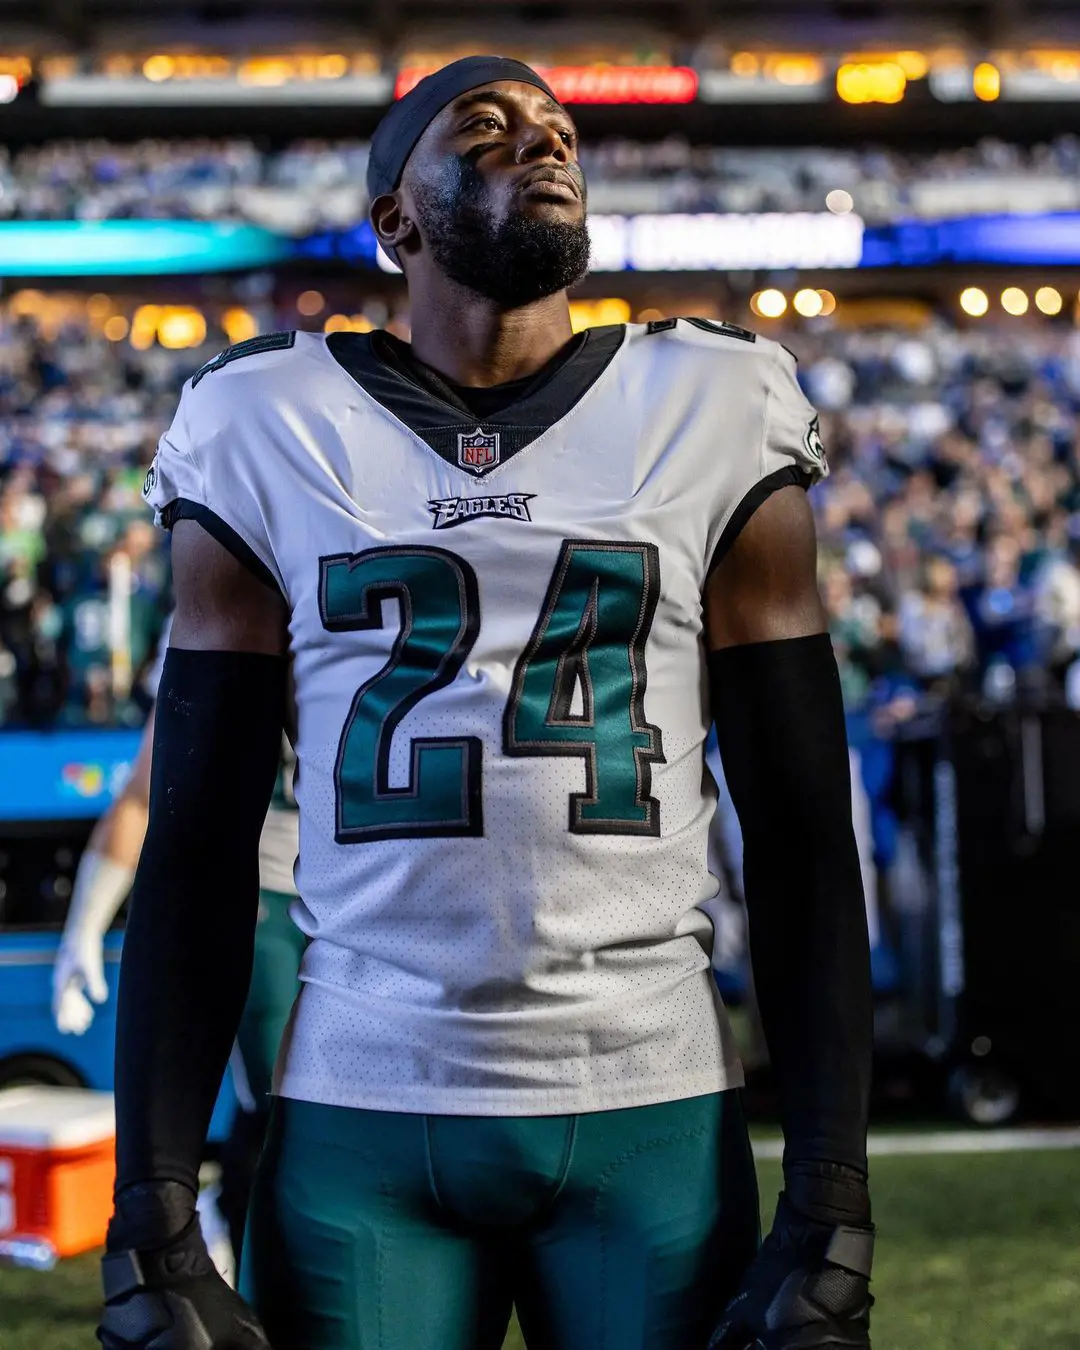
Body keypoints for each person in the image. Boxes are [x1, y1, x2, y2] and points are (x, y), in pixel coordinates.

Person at [99, 56, 875, 1350]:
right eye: (488, 129)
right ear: (394, 219)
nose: (544, 143)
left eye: (559, 130)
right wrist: (151, 1209)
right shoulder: (263, 421)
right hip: (364, 1091)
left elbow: (799, 831)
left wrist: (834, 1195)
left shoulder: (715, 402)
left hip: (651, 1092)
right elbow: (196, 845)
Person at [53, 615, 304, 1266]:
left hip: (364, 892)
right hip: (267, 892)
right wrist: (82, 927)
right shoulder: (230, 591)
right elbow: (146, 792)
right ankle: (244, 1243)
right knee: (280, 1101)